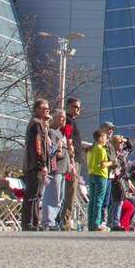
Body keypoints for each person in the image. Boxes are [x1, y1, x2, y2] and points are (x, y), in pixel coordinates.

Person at [21, 98, 51, 231]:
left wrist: (46, 123)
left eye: (48, 109)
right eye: (44, 108)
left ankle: (34, 222)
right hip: (35, 165)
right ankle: (28, 222)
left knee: (37, 195)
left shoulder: (41, 124)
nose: (47, 111)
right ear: (37, 110)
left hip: (36, 164)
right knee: (31, 195)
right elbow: (37, 145)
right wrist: (42, 163)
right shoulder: (35, 123)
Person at [41, 108, 70, 229]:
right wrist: (62, 150)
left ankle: (53, 220)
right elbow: (52, 151)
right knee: (53, 196)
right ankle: (48, 221)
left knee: (60, 197)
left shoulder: (61, 133)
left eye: (64, 117)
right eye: (61, 117)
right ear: (54, 118)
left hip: (63, 169)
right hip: (55, 168)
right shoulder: (52, 132)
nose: (64, 119)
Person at [60, 96, 84, 231]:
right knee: (70, 191)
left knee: (72, 191)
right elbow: (68, 137)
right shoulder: (69, 120)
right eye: (75, 107)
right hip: (72, 160)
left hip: (76, 159)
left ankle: (65, 219)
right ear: (68, 107)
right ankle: (65, 221)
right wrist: (71, 160)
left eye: (79, 108)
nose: (77, 110)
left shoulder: (73, 121)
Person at [86, 128, 113, 231]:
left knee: (92, 200)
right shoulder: (101, 149)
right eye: (105, 138)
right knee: (99, 199)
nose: (106, 140)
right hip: (101, 175)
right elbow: (103, 164)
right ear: (100, 138)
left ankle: (90, 222)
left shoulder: (90, 149)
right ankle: (96, 223)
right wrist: (112, 162)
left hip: (91, 174)